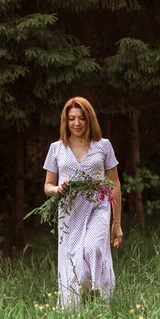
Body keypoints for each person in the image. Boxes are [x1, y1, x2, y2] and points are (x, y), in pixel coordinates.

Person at [43, 96, 123, 307]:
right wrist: (57, 189)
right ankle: (79, 306)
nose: (76, 123)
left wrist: (117, 223)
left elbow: (114, 183)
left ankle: (100, 299)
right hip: (70, 212)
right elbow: (48, 185)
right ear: (65, 121)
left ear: (89, 120)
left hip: (99, 205)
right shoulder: (56, 148)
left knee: (94, 247)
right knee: (74, 260)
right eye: (71, 118)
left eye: (81, 118)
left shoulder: (103, 146)